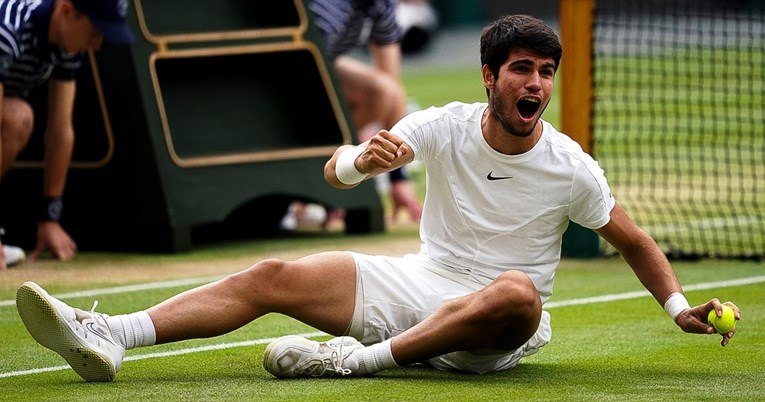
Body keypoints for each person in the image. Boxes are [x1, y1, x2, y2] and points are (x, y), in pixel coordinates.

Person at [16, 15, 740, 383]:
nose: (536, 85)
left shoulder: (569, 165)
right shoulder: (442, 126)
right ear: (489, 76)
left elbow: (634, 240)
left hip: (496, 325)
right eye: (522, 69)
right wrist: (362, 160)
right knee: (271, 276)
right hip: (421, 284)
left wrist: (679, 312)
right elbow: (334, 174)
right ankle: (113, 336)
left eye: (545, 72)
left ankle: (350, 363)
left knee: (520, 293)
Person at [0, 0, 134, 269]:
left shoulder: (67, 46)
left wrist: (50, 217)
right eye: (94, 33)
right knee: (16, 118)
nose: (96, 46)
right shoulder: (7, 30)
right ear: (65, 11)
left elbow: (61, 131)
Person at [293, 0, 422, 227]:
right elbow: (299, 66)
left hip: (321, 68)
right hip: (282, 75)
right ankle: (305, 190)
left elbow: (393, 87)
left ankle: (327, 182)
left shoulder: (382, 5)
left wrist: (397, 179)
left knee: (382, 92)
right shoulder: (327, 7)